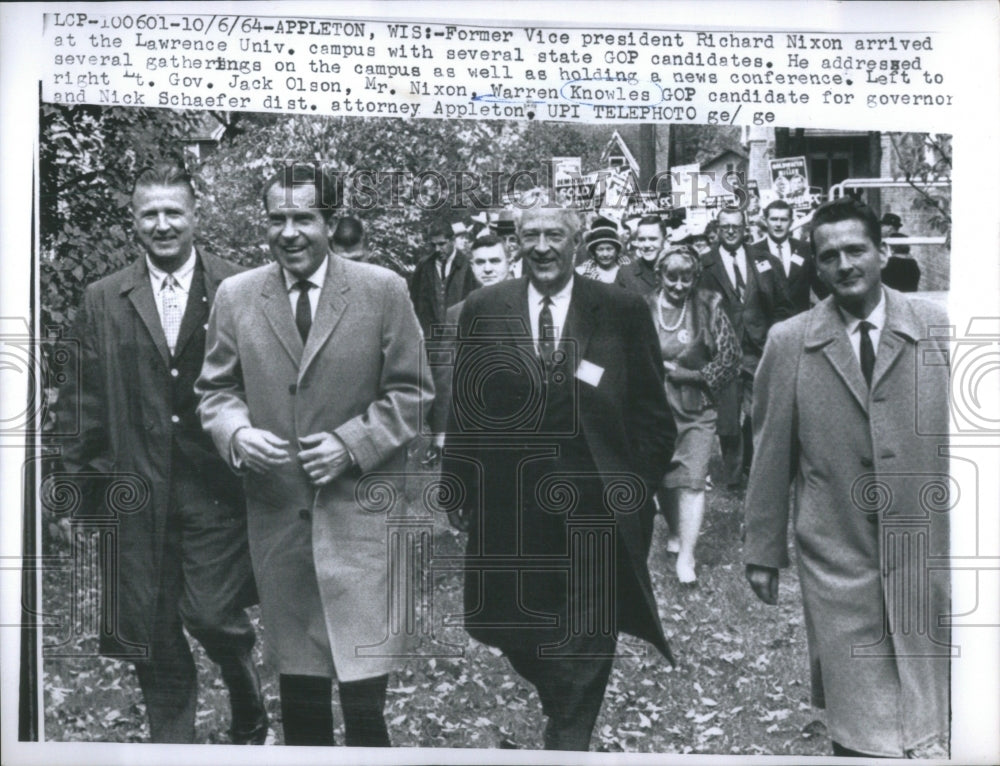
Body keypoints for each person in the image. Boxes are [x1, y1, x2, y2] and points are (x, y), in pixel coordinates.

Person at [196, 165, 433, 747]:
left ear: (331, 221)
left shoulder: (382, 290)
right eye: (277, 219)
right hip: (281, 524)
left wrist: (351, 444)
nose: (289, 232)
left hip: (361, 524)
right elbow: (215, 390)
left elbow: (414, 391)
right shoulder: (238, 296)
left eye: (304, 217)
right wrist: (236, 433)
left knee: (364, 707)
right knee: (301, 713)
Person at [442, 205, 677, 751]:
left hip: (596, 505)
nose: (543, 246)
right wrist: (458, 480)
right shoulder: (484, 307)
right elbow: (467, 406)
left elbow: (652, 414)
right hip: (513, 506)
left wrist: (635, 486)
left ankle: (567, 740)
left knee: (590, 634)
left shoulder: (619, 309)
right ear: (517, 244)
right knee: (517, 631)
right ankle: (561, 701)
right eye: (531, 236)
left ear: (577, 243)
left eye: (555, 235)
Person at [53, 162, 267, 744]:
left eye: (174, 211)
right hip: (134, 490)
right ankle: (171, 747)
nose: (163, 224)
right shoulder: (103, 298)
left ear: (196, 216)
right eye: (150, 213)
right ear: (134, 222)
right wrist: (80, 493)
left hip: (218, 489)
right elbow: (81, 402)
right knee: (149, 629)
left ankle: (245, 687)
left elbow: (266, 387)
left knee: (211, 614)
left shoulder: (237, 288)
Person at [744, 198, 950, 758]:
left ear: (882, 251)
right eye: (828, 254)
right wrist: (763, 549)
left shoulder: (936, 328)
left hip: (926, 548)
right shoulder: (791, 341)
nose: (844, 263)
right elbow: (770, 455)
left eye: (856, 249)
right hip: (837, 551)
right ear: (817, 265)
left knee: (934, 704)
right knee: (860, 723)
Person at [647, 245, 740, 584]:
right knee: (661, 479)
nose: (678, 285)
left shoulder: (709, 306)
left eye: (687, 277)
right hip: (654, 407)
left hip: (696, 407)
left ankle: (686, 558)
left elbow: (730, 359)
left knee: (693, 480)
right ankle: (674, 530)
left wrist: (689, 375)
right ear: (659, 275)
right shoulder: (643, 308)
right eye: (671, 277)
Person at [699, 207, 792, 487]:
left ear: (745, 227)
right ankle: (733, 476)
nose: (730, 231)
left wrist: (775, 333)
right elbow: (698, 308)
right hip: (724, 351)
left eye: (736, 226)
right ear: (718, 227)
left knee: (759, 411)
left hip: (758, 347)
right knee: (727, 419)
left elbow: (782, 303)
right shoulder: (705, 263)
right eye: (725, 226)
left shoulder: (764, 260)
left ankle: (754, 464)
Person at [427, 234, 512, 460]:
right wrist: (442, 429)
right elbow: (446, 374)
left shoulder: (533, 303)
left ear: (509, 263)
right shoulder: (457, 313)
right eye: (480, 262)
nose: (487, 269)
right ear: (472, 267)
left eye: (495, 261)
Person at [748, 199, 821, 314]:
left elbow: (819, 287)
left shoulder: (804, 249)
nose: (778, 224)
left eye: (783, 220)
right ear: (765, 221)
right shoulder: (754, 252)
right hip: (768, 326)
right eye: (774, 219)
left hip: (800, 323)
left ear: (791, 222)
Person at [408, 219, 478, 339]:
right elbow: (413, 299)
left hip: (458, 336)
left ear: (453, 240)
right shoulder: (424, 266)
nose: (437, 249)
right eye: (433, 245)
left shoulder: (467, 266)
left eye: (442, 244)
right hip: (430, 337)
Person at [614, 214, 665, 296]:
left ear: (664, 240)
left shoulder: (678, 270)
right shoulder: (626, 274)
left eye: (653, 239)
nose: (647, 245)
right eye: (642, 240)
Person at [576, 215, 631, 283]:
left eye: (609, 249)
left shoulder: (628, 268)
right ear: (593, 252)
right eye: (600, 249)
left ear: (617, 250)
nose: (605, 254)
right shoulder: (583, 272)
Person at [879, 212, 921, 292]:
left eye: (882, 226)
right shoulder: (898, 241)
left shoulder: (896, 242)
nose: (880, 228)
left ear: (889, 228)